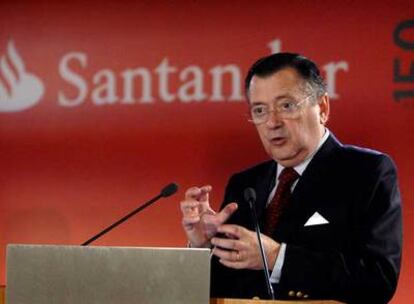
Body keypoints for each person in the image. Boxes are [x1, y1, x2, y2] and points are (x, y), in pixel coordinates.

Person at [180, 53, 402, 304]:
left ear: (323, 108)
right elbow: (222, 286)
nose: (272, 122)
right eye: (260, 110)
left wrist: (277, 257)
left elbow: (378, 281)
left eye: (286, 106)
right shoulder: (245, 184)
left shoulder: (365, 172)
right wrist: (202, 247)